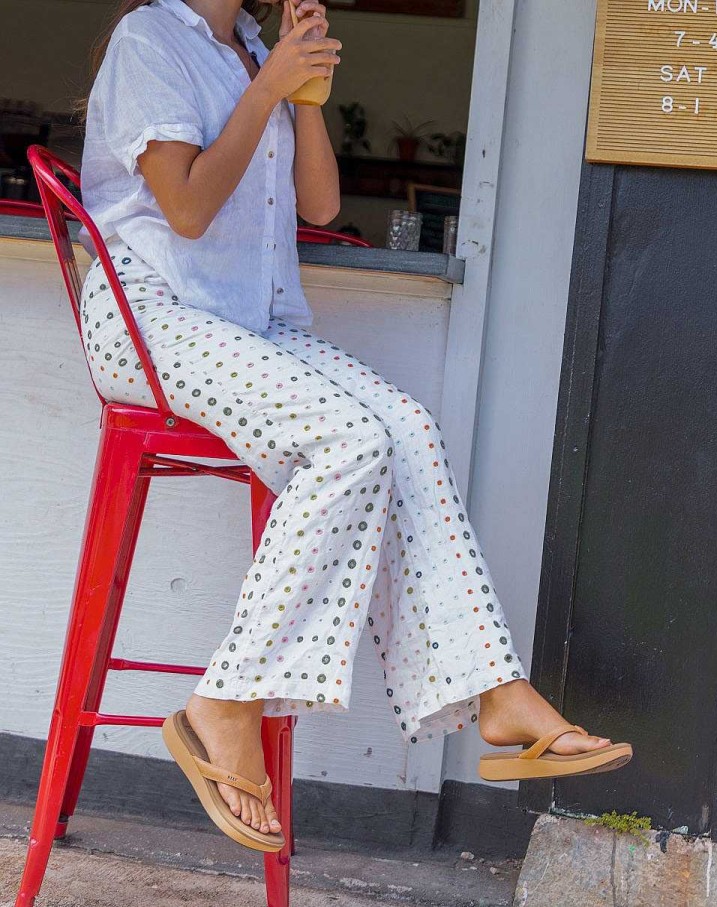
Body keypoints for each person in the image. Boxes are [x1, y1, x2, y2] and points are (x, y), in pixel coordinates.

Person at [79, 0, 632, 853]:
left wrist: (302, 98)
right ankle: (220, 705)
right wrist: (269, 87)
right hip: (151, 317)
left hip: (243, 327)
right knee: (349, 438)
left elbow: (322, 200)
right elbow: (184, 212)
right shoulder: (148, 39)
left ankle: (496, 692)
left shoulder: (251, 49)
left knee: (406, 427)